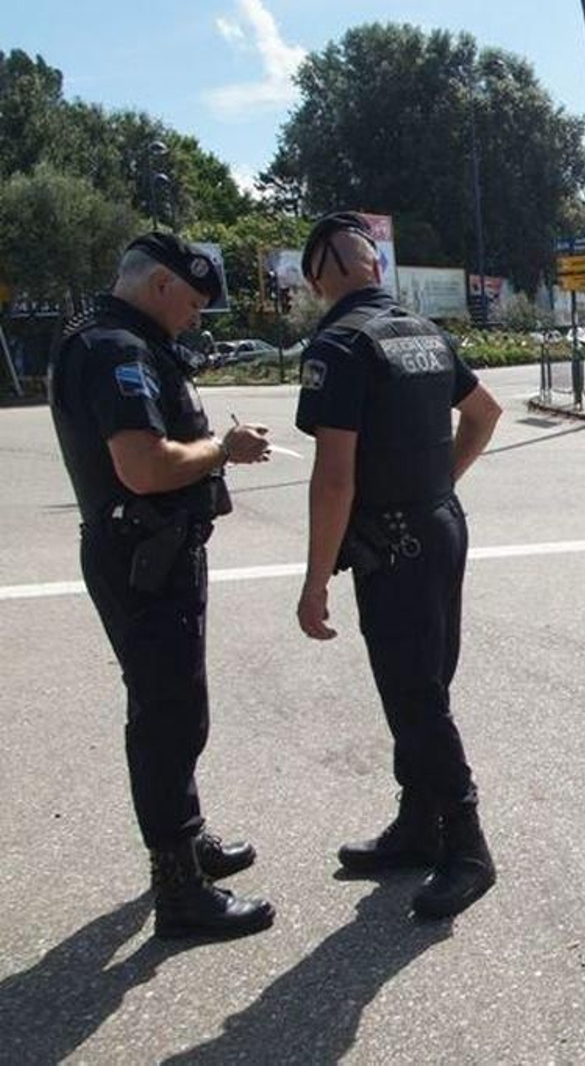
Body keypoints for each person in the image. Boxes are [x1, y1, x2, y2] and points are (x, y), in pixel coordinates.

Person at [47, 232, 275, 940]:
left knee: (175, 707)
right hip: (145, 556)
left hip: (151, 551)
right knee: (168, 714)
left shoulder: (109, 336)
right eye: (194, 304)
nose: (196, 319)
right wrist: (224, 450)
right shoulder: (118, 350)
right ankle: (178, 889)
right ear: (161, 285)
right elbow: (144, 467)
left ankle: (186, 839)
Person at [293, 213, 503, 921]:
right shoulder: (423, 332)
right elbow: (486, 413)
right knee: (425, 687)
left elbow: (333, 479)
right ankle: (418, 824)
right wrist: (439, 485)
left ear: (319, 276)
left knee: (416, 698)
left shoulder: (341, 343)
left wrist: (315, 579)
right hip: (441, 530)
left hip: (394, 545)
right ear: (374, 268)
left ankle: (467, 846)